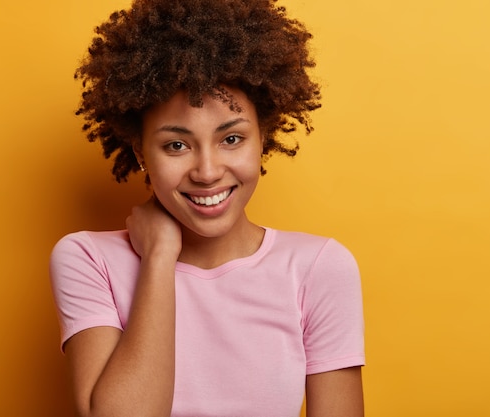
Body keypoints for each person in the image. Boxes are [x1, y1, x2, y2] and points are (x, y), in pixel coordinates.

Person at [49, 0, 365, 416]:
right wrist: (160, 256)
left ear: (263, 137)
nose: (207, 171)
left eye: (231, 139)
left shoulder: (319, 267)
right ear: (140, 151)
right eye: (176, 145)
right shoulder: (87, 259)